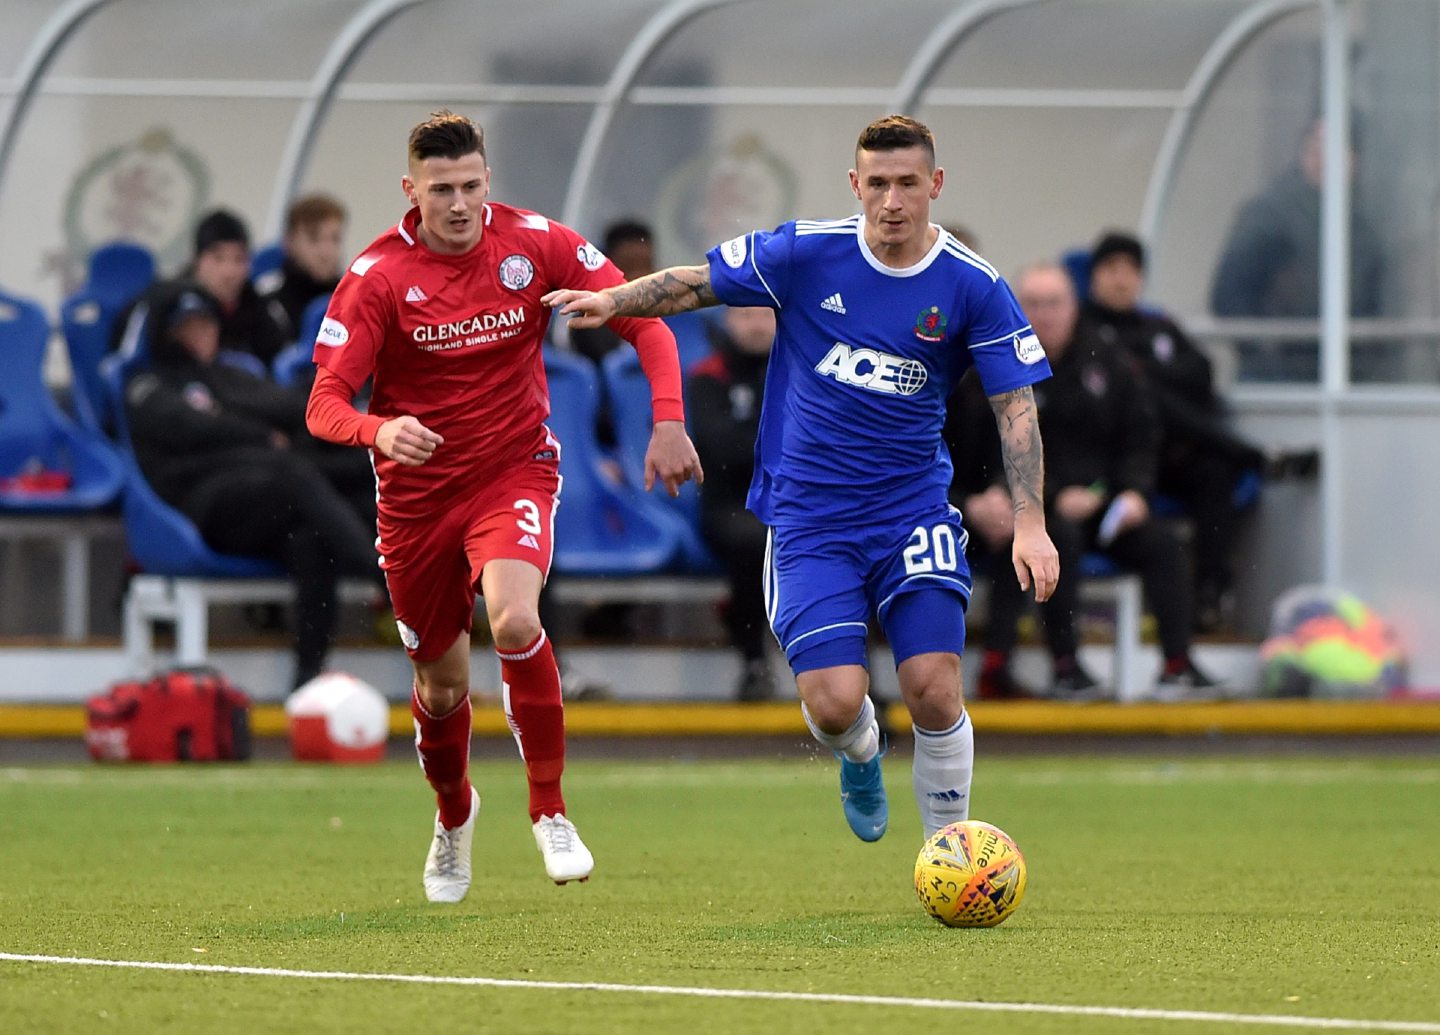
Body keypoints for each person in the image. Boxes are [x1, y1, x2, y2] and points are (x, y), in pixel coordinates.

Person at [547, 114, 1060, 846]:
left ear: (934, 186)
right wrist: (615, 301)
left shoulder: (972, 285)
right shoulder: (806, 253)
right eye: (876, 183)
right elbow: (697, 284)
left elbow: (1016, 408)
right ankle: (859, 750)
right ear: (855, 185)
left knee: (936, 686)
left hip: (913, 511)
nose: (891, 200)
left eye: (907, 183)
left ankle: (951, 853)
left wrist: (1031, 522)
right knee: (833, 703)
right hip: (809, 519)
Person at [303, 110, 702, 901]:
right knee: (442, 685)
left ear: (489, 180)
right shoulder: (377, 276)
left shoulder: (534, 243)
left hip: (512, 472)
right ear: (411, 189)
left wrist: (667, 418)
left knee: (516, 620)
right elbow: (323, 404)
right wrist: (381, 430)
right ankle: (454, 815)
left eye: (472, 186)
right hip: (416, 502)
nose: (459, 204)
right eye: (442, 189)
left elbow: (645, 322)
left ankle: (550, 810)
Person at [963, 261, 1216, 698]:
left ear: (1074, 306)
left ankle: (1178, 663)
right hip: (1032, 512)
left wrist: (1133, 492)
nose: (1044, 314)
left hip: (1103, 507)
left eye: (1055, 303)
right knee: (1051, 539)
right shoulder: (991, 367)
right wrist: (1043, 497)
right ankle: (1065, 666)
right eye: (1033, 304)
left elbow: (1141, 437)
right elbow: (988, 454)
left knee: (1164, 541)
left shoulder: (1109, 361)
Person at [124, 284, 383, 688]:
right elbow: (188, 427)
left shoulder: (227, 377)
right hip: (202, 507)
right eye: (187, 327)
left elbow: (290, 407)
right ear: (167, 333)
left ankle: (307, 679)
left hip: (264, 498)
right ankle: (384, 576)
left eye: (206, 324)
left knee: (313, 534)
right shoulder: (148, 384)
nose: (200, 335)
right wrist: (261, 437)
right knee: (294, 475)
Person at [1081, 231, 1268, 632]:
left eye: (1132, 270)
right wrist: (1149, 378)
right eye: (1112, 269)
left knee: (1216, 473)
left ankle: (1210, 593)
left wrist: (1146, 372)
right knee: (1150, 399)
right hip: (1118, 463)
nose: (1122, 279)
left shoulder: (1159, 325)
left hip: (1172, 455)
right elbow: (1124, 390)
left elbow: (1202, 372)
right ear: (1094, 277)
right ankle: (1254, 455)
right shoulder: (1083, 329)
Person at [1210, 115, 1384, 382]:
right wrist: (1266, 352)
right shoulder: (1270, 215)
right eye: (1316, 149)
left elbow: (1371, 308)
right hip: (1275, 381)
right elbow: (1230, 295)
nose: (1324, 160)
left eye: (1336, 151)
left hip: (1340, 378)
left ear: (1354, 161)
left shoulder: (1361, 230)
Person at [687, 305, 777, 701]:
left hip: (794, 504)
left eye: (765, 316)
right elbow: (718, 447)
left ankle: (866, 688)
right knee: (753, 541)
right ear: (728, 320)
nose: (757, 326)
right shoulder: (708, 376)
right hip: (729, 505)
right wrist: (775, 446)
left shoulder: (802, 371)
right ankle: (754, 662)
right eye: (746, 316)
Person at [112, 208, 290, 370]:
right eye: (218, 258)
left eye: (239, 259)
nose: (228, 272)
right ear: (197, 260)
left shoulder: (259, 306)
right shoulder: (166, 304)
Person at [565, 219, 657, 366]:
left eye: (646, 266)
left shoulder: (676, 314)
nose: (640, 278)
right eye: (630, 268)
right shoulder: (590, 322)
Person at [258, 193, 348, 342]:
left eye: (335, 239)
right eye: (314, 239)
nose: (326, 252)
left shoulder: (354, 299)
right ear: (289, 243)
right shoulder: (266, 301)